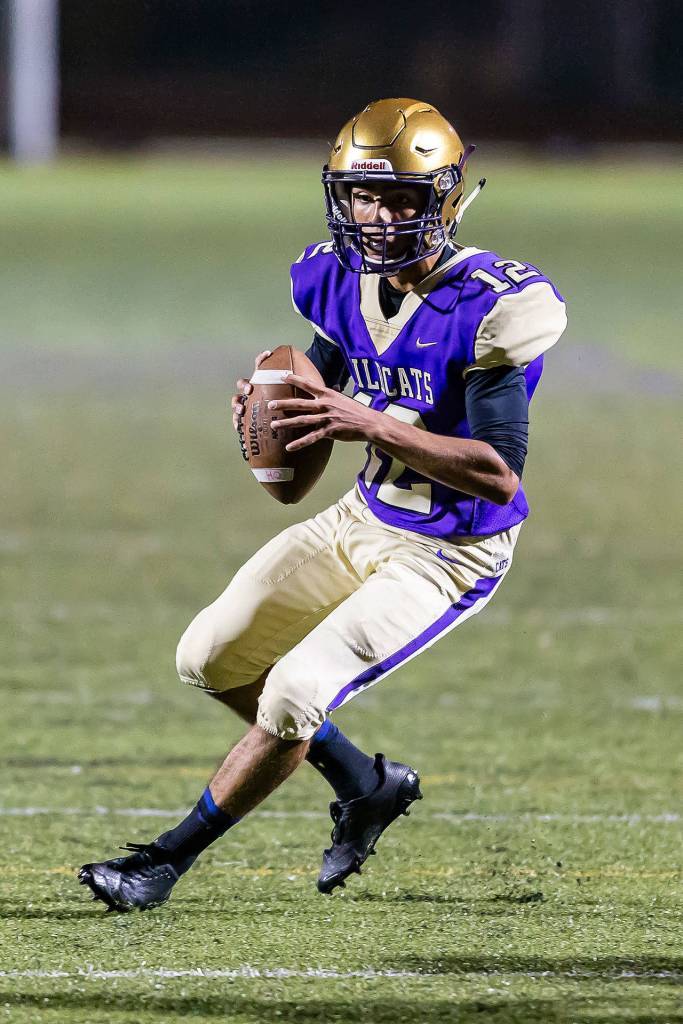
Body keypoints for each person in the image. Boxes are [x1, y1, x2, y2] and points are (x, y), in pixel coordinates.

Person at [79, 98, 567, 912]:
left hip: (448, 548)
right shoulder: (337, 278)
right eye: (362, 198)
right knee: (207, 657)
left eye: (402, 199)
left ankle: (161, 865)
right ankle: (364, 784)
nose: (378, 218)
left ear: (443, 200)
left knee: (295, 691)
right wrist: (279, 413)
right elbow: (300, 468)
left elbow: (497, 476)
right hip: (360, 516)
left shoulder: (491, 303)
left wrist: (358, 418)